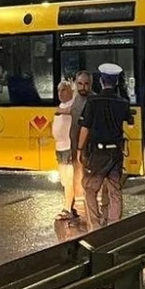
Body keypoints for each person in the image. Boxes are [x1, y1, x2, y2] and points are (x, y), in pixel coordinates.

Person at [77, 62, 133, 228]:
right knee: (115, 190)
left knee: (90, 189)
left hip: (98, 154)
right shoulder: (123, 102)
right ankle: (114, 225)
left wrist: (80, 149)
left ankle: (95, 226)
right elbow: (130, 124)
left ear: (100, 81)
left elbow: (85, 128)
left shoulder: (93, 101)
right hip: (116, 153)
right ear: (116, 82)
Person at [51, 79, 77, 221]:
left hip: (68, 147)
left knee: (69, 179)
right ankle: (69, 206)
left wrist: (60, 111)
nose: (60, 93)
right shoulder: (62, 105)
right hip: (60, 148)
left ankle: (68, 208)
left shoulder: (72, 104)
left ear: (71, 91)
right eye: (59, 91)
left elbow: (72, 112)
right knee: (64, 180)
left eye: (64, 90)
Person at [68, 70, 91, 221]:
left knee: (89, 178)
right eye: (80, 84)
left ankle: (91, 211)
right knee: (77, 174)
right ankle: (76, 205)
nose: (83, 87)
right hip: (75, 145)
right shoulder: (75, 99)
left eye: (86, 84)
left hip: (89, 147)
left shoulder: (94, 100)